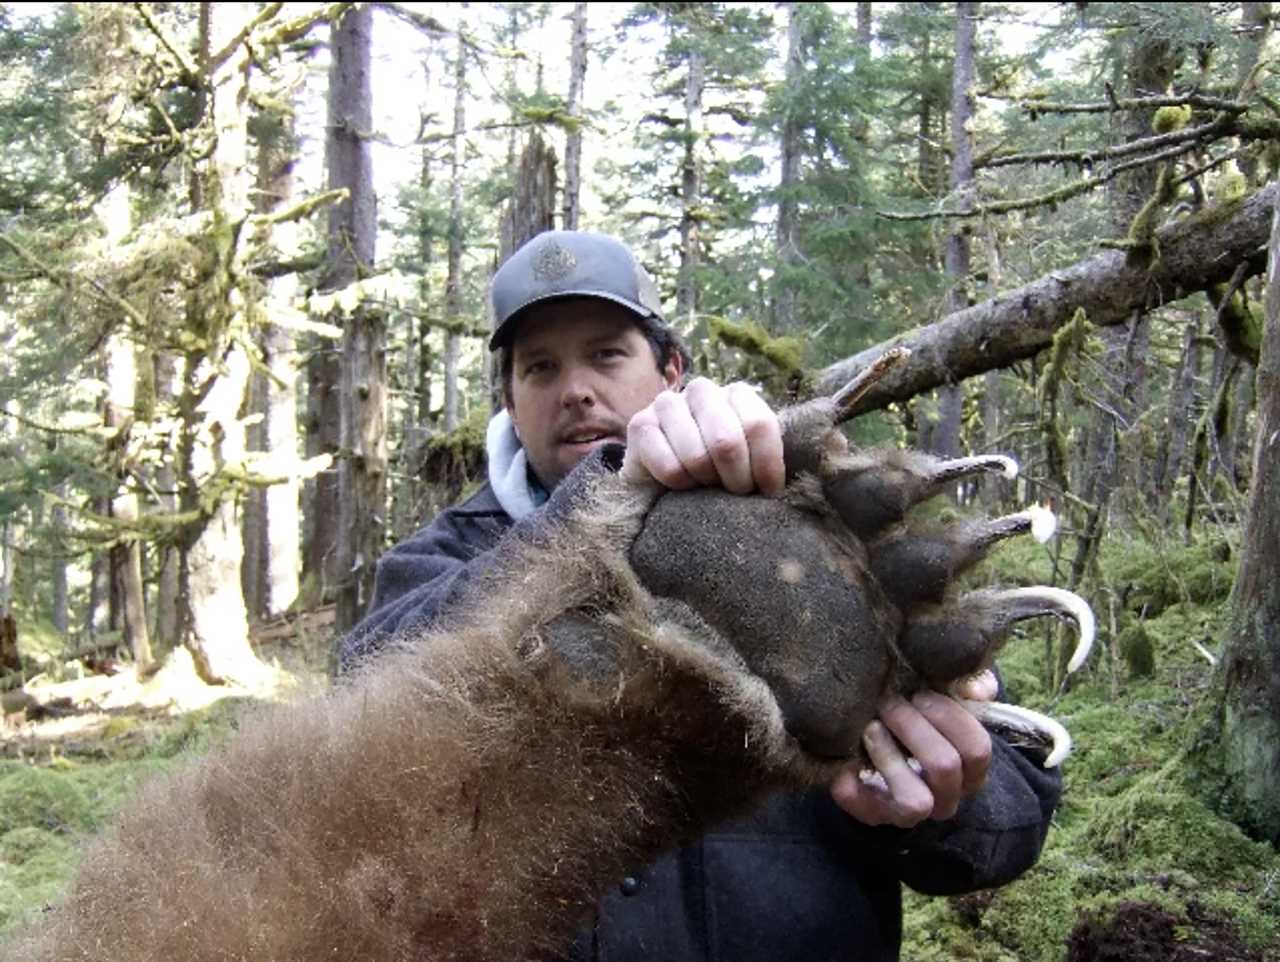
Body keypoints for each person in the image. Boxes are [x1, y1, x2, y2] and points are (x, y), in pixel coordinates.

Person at [338, 230, 1061, 962]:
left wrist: (943, 803)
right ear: (509, 399)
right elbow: (360, 706)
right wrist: (610, 501)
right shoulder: (440, 563)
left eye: (606, 354)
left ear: (672, 371)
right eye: (540, 367)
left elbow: (1014, 820)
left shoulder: (816, 526)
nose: (576, 389)